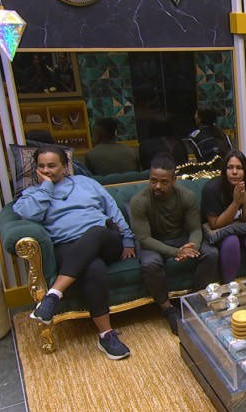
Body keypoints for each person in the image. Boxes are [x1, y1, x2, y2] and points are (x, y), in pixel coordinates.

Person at [14, 146, 135, 360]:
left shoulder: (85, 183)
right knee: (93, 267)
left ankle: (53, 294)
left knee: (96, 231)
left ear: (64, 166)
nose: (46, 170)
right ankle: (106, 335)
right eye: (41, 166)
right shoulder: (32, 194)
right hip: (67, 247)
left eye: (52, 165)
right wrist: (46, 187)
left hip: (106, 241)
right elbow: (29, 215)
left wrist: (127, 239)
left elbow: (112, 210)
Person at [130, 155, 219, 335]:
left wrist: (191, 248)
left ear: (173, 181)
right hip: (153, 242)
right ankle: (168, 309)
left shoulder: (186, 196)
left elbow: (195, 228)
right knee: (150, 263)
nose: (157, 186)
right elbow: (144, 239)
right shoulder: (139, 201)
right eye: (153, 180)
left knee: (211, 253)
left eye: (164, 182)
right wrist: (176, 252)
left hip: (181, 238)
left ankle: (194, 300)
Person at [201, 150, 246, 281]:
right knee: (231, 242)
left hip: (244, 227)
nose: (234, 172)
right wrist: (236, 203)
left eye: (239, 168)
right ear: (224, 170)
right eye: (230, 168)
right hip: (221, 231)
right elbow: (215, 224)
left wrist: (245, 200)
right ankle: (229, 287)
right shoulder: (212, 189)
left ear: (245, 171)